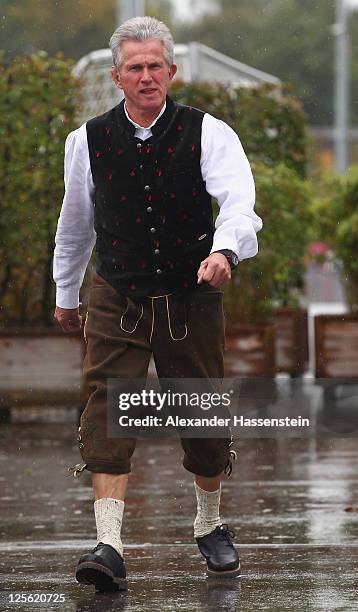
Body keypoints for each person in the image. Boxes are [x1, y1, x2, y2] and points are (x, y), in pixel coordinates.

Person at [53, 16, 262, 592]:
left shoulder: (209, 132)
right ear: (116, 77)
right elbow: (75, 225)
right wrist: (64, 294)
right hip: (117, 290)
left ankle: (210, 521)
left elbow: (239, 201)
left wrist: (225, 251)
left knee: (200, 416)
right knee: (105, 409)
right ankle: (109, 544)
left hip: (191, 291)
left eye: (156, 67)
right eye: (135, 68)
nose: (147, 77)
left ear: (171, 71)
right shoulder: (86, 140)